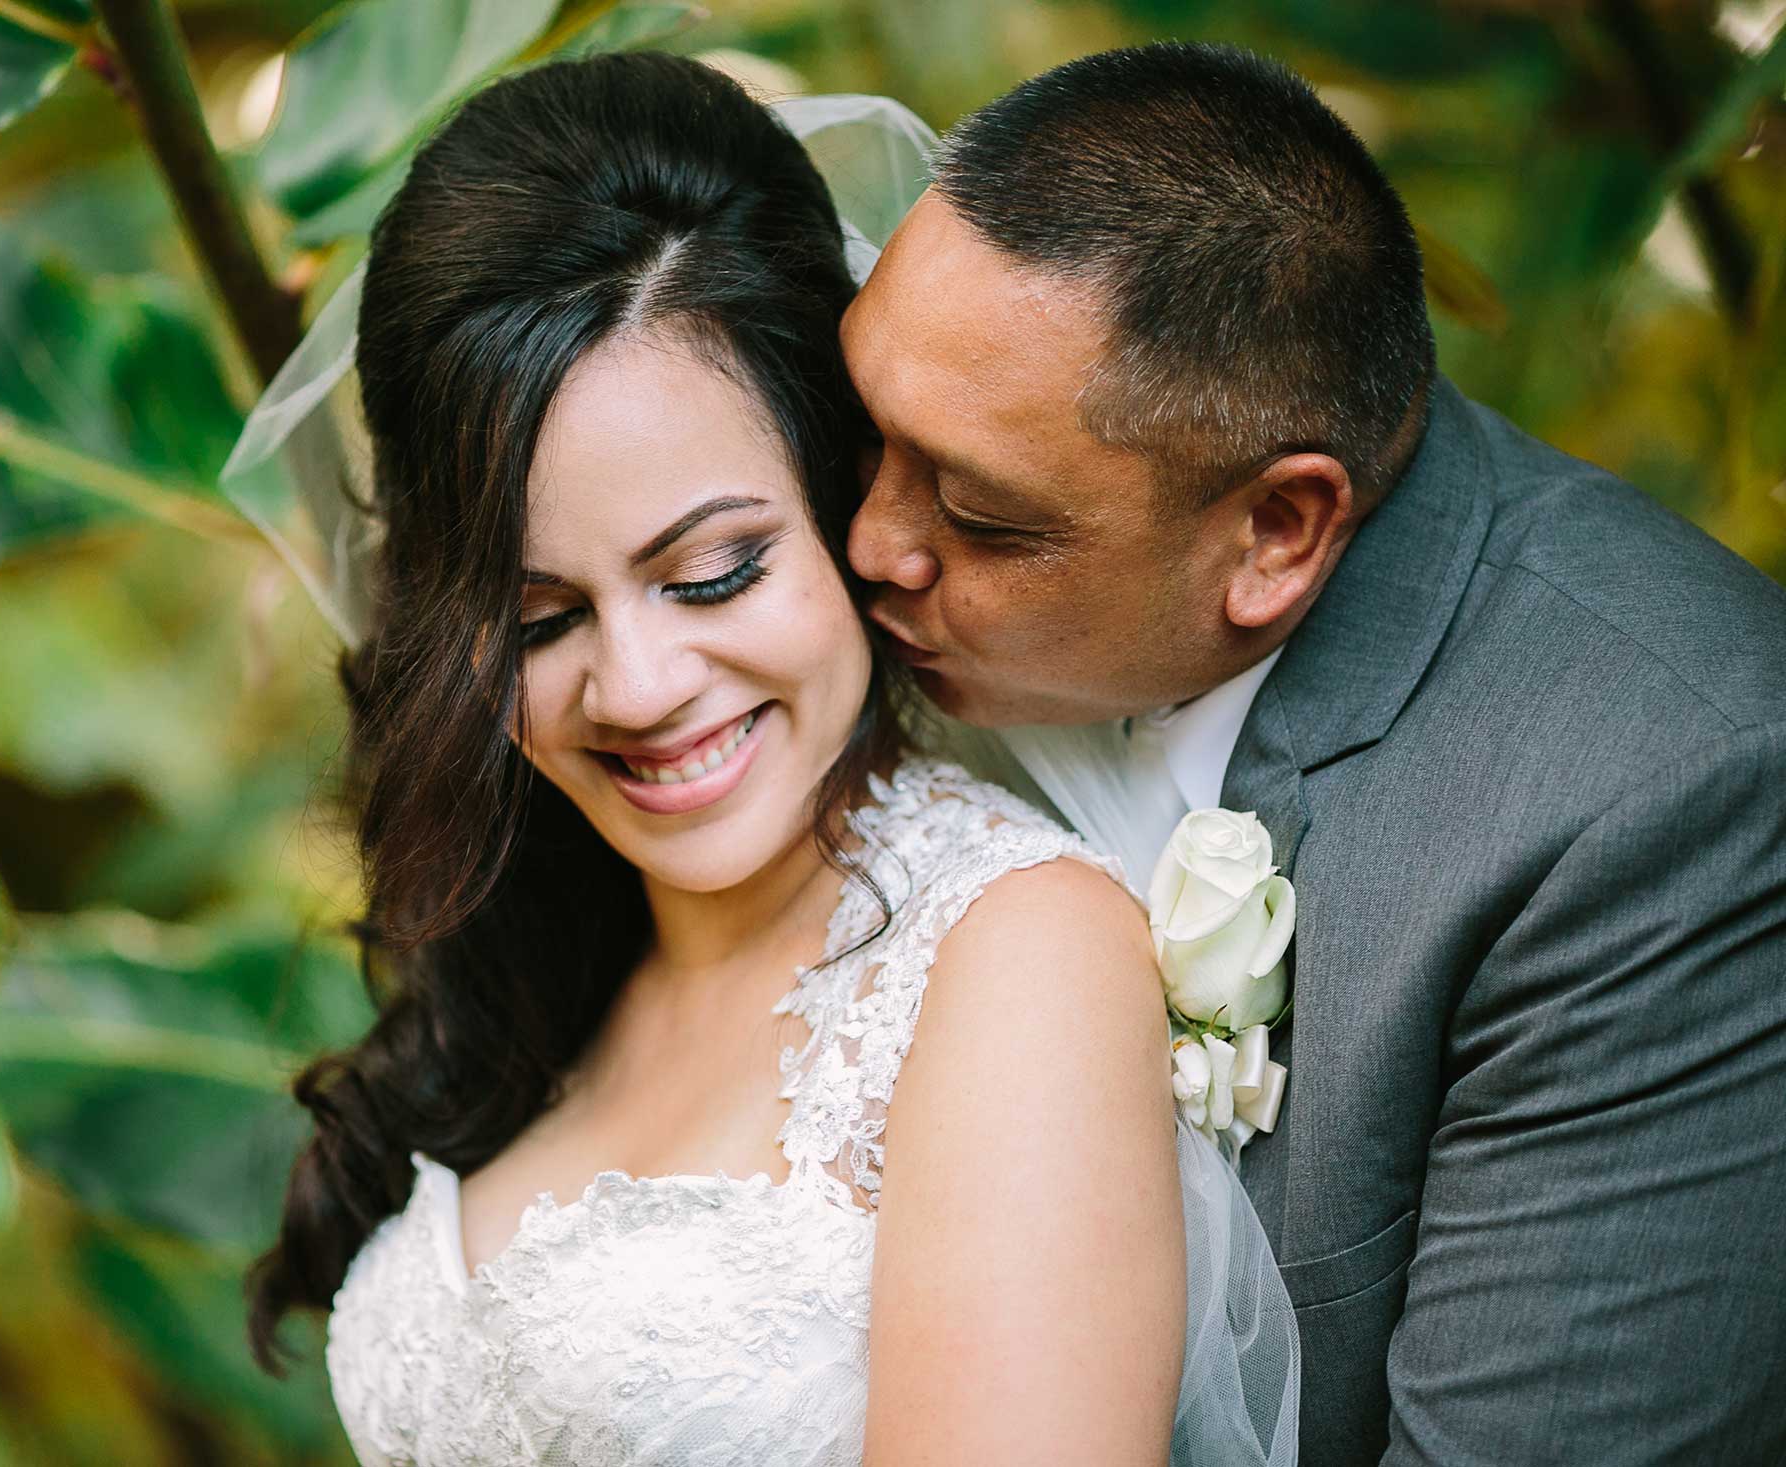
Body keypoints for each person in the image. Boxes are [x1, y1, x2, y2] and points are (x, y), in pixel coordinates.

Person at [238, 50, 1299, 1467]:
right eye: (539, 615)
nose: (636, 686)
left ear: (849, 498)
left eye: (715, 572)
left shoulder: (1013, 956)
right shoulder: (544, 957)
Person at [841, 41, 1786, 1464]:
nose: (867, 546)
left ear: (1276, 534)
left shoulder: (1666, 799)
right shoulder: (803, 639)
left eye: (983, 516)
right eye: (866, 432)